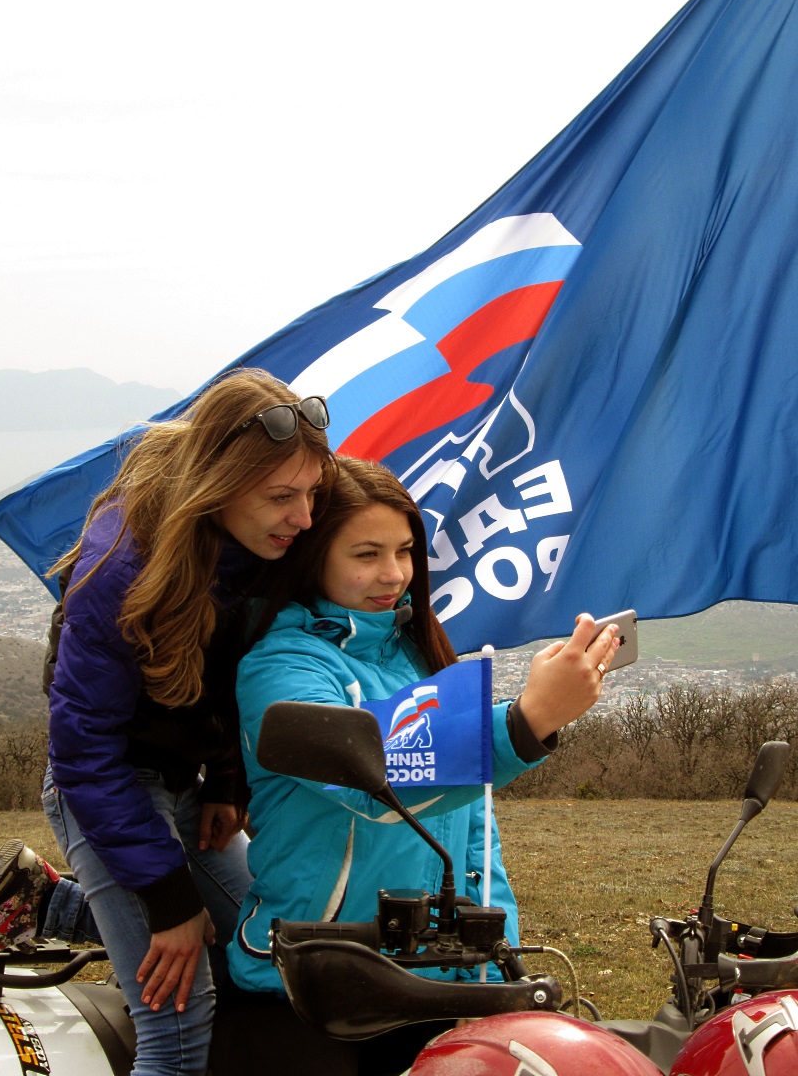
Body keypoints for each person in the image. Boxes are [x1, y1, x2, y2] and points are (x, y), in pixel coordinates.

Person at [0, 368, 335, 1076]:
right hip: (104, 785)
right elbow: (84, 751)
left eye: (312, 493)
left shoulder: (258, 546)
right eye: (282, 498)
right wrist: (166, 899)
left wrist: (224, 780)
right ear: (220, 481)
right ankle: (103, 910)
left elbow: (230, 678)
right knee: (179, 1024)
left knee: (273, 945)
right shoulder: (124, 565)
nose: (305, 517)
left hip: (186, 771)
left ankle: (49, 907)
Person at [211, 456, 619, 1076]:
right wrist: (524, 723)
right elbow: (374, 787)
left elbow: (473, 827)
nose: (394, 573)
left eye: (405, 551)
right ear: (313, 555)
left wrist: (493, 958)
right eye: (367, 553)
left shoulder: (418, 654)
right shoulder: (282, 666)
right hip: (309, 987)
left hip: (427, 983)